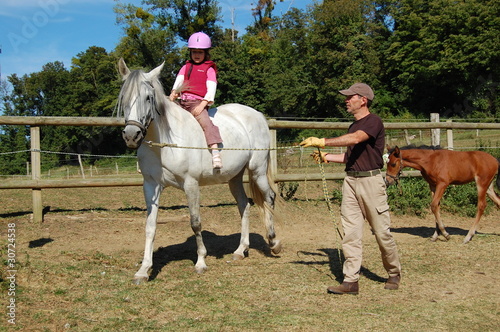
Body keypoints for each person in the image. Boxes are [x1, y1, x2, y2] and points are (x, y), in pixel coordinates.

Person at [300, 83, 401, 295]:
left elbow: (356, 139)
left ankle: (393, 272)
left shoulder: (373, 122)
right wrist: (326, 157)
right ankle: (350, 280)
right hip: (351, 182)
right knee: (350, 233)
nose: (346, 100)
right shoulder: (352, 126)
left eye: (350, 97)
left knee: (382, 233)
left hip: (371, 183)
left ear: (363, 100)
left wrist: (322, 142)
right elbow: (351, 156)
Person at [169, 32, 223, 169]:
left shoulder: (209, 69)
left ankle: (215, 152)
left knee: (206, 123)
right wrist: (174, 93)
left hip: (197, 103)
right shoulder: (186, 67)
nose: (197, 55)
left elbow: (211, 87)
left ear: (206, 53)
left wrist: (203, 104)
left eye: (200, 52)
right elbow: (179, 81)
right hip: (182, 102)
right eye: (194, 52)